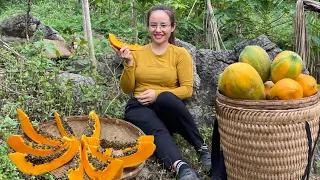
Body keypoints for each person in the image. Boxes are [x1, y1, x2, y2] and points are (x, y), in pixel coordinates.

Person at [111, 5, 211, 180]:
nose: (158, 30)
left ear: (172, 27)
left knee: (165, 97)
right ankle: (182, 168)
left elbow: (187, 90)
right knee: (147, 121)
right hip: (140, 107)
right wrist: (129, 63)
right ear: (148, 26)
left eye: (163, 25)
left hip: (167, 107)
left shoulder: (180, 54)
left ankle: (202, 149)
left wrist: (156, 94)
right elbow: (127, 88)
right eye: (153, 25)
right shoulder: (138, 53)